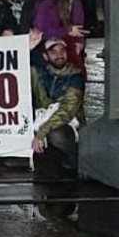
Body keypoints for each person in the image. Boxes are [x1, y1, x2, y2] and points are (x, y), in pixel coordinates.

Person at [32, 36, 85, 170]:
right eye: (53, 52)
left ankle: (76, 158)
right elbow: (16, 65)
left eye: (62, 50)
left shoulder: (75, 77)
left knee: (57, 135)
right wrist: (29, 47)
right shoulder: (39, 72)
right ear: (45, 56)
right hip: (41, 119)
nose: (59, 55)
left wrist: (42, 131)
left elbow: (67, 111)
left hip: (68, 123)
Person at [33, 0, 87, 71]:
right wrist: (67, 30)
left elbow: (79, 25)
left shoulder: (76, 1)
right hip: (48, 43)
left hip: (69, 43)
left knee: (77, 68)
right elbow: (39, 29)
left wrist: (80, 42)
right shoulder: (47, 3)